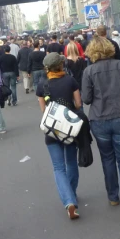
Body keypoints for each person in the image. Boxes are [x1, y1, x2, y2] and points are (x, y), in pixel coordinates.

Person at [82, 37, 120, 212]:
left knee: (107, 158)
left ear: (91, 52)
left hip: (99, 119)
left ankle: (113, 196)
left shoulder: (89, 71)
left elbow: (86, 98)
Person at [36, 53, 82, 219]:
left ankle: (68, 200)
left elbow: (43, 110)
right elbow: (78, 104)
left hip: (52, 131)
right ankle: (71, 193)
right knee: (71, 163)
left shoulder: (42, 85)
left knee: (58, 167)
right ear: (62, 65)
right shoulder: (70, 80)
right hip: (69, 130)